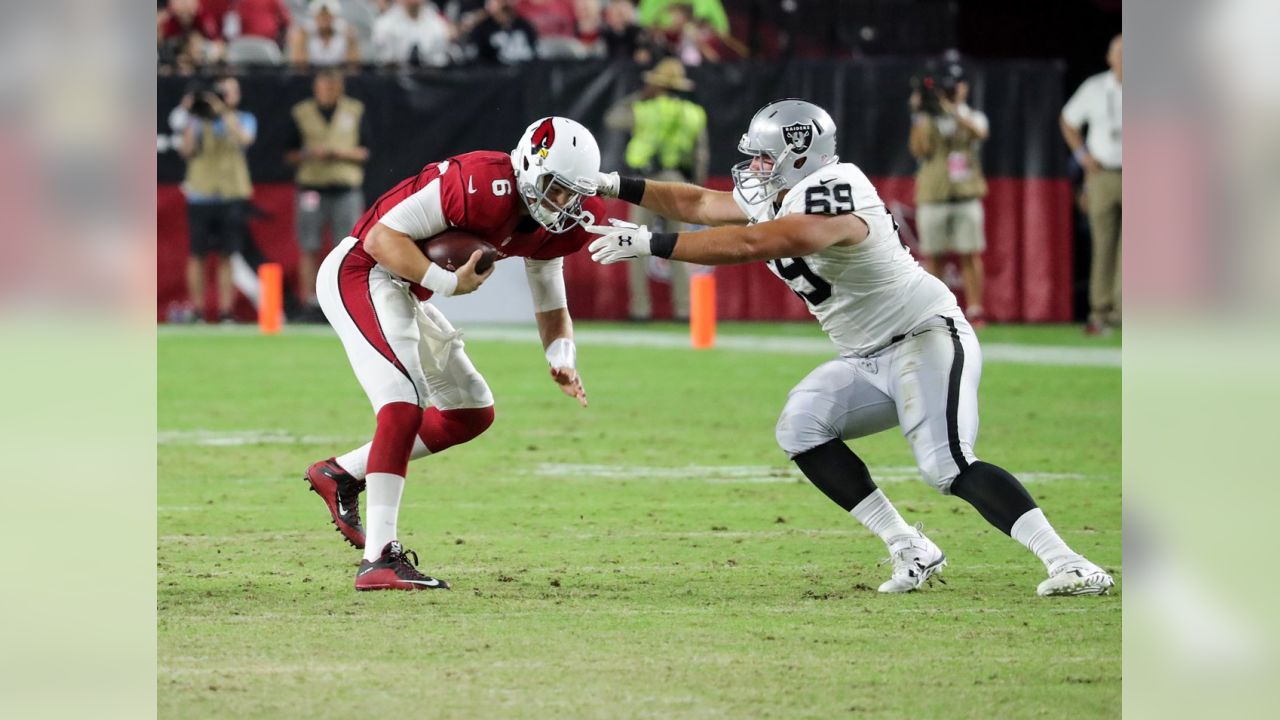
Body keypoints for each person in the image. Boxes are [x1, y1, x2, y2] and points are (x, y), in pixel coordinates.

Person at [588, 100, 1114, 597]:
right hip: (866, 355)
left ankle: (1071, 564)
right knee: (801, 427)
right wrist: (613, 183)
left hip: (923, 337)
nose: (754, 167)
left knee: (947, 465)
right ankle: (909, 545)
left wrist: (652, 243)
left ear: (801, 156)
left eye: (766, 156)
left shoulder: (837, 188)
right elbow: (698, 202)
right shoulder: (776, 190)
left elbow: (763, 242)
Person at [303, 117, 604, 591]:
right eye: (555, 188)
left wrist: (562, 356)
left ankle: (342, 473)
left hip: (404, 289)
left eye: (573, 193)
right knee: (403, 401)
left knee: (470, 411)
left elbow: (550, 298)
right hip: (362, 270)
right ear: (529, 166)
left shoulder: (551, 226)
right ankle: (379, 558)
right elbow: (382, 240)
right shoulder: (484, 184)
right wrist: (448, 283)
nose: (563, 203)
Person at [604, 58, 706, 321]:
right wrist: (697, 189)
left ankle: (641, 308)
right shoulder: (694, 113)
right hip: (677, 181)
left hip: (645, 183)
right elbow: (701, 154)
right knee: (681, 246)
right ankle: (684, 309)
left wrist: (640, 95)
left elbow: (612, 118)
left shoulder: (643, 109)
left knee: (635, 243)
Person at [909, 63, 990, 328]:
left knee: (970, 253)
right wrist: (920, 113)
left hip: (965, 194)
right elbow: (918, 150)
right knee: (935, 256)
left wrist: (953, 111)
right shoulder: (928, 119)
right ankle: (937, 310)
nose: (949, 92)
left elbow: (980, 133)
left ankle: (976, 309)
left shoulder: (972, 116)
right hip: (934, 195)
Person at [284, 69, 370, 317]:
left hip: (345, 187)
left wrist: (339, 153)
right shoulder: (302, 112)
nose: (329, 91)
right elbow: (288, 153)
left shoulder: (355, 110)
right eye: (324, 86)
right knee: (308, 246)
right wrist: (309, 154)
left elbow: (367, 151)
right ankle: (311, 302)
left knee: (347, 249)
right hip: (312, 187)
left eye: (333, 86)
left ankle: (343, 301)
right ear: (316, 88)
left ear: (340, 88)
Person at [173, 76, 257, 323]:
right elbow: (186, 150)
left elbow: (244, 139)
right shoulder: (197, 120)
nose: (224, 96)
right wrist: (191, 115)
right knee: (197, 254)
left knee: (227, 255)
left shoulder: (243, 118)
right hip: (201, 193)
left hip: (230, 193)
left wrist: (222, 111)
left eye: (229, 92)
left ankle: (226, 311)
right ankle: (197, 310)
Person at [1061, 34, 1123, 336]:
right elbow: (1068, 120)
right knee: (1103, 244)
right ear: (1109, 58)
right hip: (1103, 175)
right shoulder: (1096, 87)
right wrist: (1082, 156)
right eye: (1119, 54)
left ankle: (1124, 312)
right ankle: (1100, 312)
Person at [372, 0, 456, 67]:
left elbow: (440, 60)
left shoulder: (437, 24)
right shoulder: (384, 24)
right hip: (393, 80)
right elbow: (383, 60)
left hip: (430, 78)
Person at [286, 0, 361, 68]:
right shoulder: (304, 33)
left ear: (334, 17)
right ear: (314, 16)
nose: (324, 18)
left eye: (327, 15)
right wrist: (300, 40)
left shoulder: (346, 33)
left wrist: (351, 41)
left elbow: (353, 67)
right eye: (321, 15)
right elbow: (299, 67)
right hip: (311, 78)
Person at [468, 0, 538, 65]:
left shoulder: (522, 24)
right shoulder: (484, 27)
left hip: (526, 68)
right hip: (498, 71)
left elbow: (533, 44)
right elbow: (481, 53)